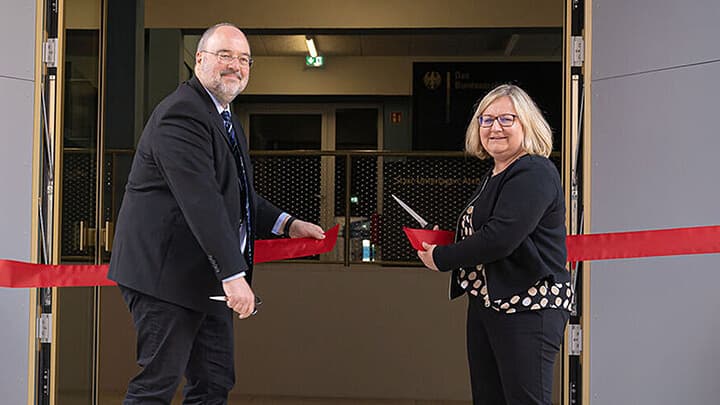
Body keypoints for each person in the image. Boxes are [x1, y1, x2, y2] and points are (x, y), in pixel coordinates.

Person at [108, 23, 325, 404]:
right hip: (167, 278)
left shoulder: (224, 118)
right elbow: (200, 200)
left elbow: (237, 196)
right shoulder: (182, 114)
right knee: (156, 386)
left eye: (243, 59)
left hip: (203, 278)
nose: (235, 66)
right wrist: (232, 274)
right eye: (225, 55)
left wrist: (287, 224)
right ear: (200, 60)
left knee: (213, 383)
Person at [417, 84, 572, 405]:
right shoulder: (497, 173)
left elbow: (501, 238)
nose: (494, 128)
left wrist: (443, 256)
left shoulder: (534, 170)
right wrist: (443, 240)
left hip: (528, 306)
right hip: (489, 305)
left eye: (506, 119)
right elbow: (489, 234)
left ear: (527, 124)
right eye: (485, 120)